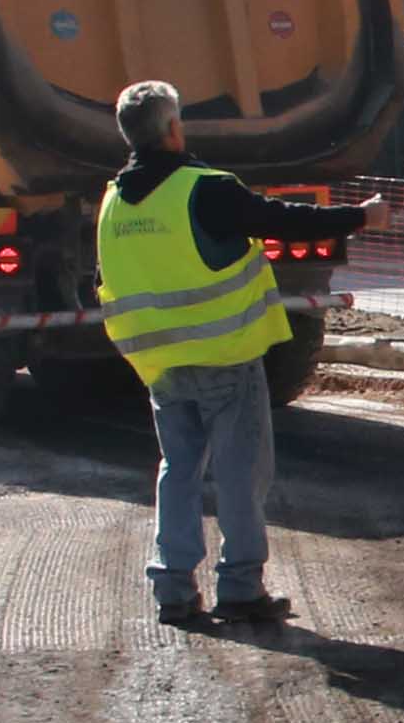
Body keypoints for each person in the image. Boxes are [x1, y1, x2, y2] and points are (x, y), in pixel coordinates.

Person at [95, 77, 365, 629]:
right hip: (225, 358)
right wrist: (361, 216)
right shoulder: (205, 188)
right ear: (173, 128)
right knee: (242, 474)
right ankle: (241, 588)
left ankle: (172, 590)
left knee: (179, 471)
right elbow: (282, 219)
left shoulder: (113, 201)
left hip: (161, 365)